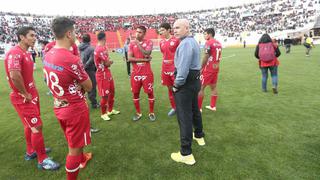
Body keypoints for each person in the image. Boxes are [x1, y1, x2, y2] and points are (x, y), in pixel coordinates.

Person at [4, 26, 60, 170]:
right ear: (22, 37)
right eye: (31, 35)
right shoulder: (15, 53)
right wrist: (25, 93)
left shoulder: (26, 52)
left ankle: (31, 151)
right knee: (36, 126)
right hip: (23, 97)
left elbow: (25, 75)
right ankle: (43, 160)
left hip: (31, 95)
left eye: (35, 35)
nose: (35, 38)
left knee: (30, 125)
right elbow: (14, 75)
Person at [43, 17, 93, 180]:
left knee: (73, 141)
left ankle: (82, 157)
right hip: (74, 109)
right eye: (75, 32)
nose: (76, 35)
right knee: (74, 148)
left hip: (59, 105)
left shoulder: (49, 54)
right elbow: (89, 86)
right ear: (69, 34)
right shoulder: (70, 59)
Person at [170, 19, 205, 165]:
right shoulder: (193, 41)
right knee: (194, 109)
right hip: (194, 81)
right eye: (174, 28)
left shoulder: (185, 44)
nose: (175, 30)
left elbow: (183, 69)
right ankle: (199, 135)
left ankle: (186, 153)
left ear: (186, 28)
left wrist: (176, 85)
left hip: (186, 83)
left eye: (178, 27)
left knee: (184, 117)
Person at [128, 26, 156, 121]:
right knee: (135, 93)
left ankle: (151, 113)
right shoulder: (131, 44)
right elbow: (130, 58)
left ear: (144, 34)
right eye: (136, 31)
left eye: (140, 32)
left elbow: (147, 53)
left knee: (150, 93)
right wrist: (144, 60)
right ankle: (138, 113)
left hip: (146, 73)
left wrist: (138, 44)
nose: (137, 33)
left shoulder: (149, 42)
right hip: (135, 74)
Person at [94, 31, 120, 121]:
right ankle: (103, 113)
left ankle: (110, 110)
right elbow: (107, 63)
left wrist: (108, 62)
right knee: (105, 95)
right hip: (102, 75)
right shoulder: (99, 49)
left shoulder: (104, 47)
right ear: (104, 38)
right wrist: (110, 62)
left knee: (112, 92)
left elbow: (107, 62)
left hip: (107, 72)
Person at [198, 28, 222, 112]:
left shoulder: (208, 43)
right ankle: (213, 106)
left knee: (200, 87)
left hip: (209, 68)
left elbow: (206, 56)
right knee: (213, 87)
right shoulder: (218, 43)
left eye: (205, 34)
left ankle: (198, 108)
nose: (204, 36)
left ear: (210, 34)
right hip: (216, 68)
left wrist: (201, 67)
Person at [159, 22, 180, 116]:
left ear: (168, 30)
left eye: (163, 30)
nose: (161, 32)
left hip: (174, 67)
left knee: (178, 88)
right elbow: (163, 54)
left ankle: (181, 107)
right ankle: (174, 108)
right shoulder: (161, 42)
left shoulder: (176, 40)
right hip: (165, 67)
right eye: (160, 30)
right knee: (169, 88)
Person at [79, 34, 99, 109]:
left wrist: (81, 68)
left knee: (82, 86)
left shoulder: (79, 47)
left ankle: (81, 103)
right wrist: (84, 67)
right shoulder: (91, 49)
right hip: (89, 70)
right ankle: (94, 103)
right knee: (92, 87)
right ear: (89, 40)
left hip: (81, 70)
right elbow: (91, 60)